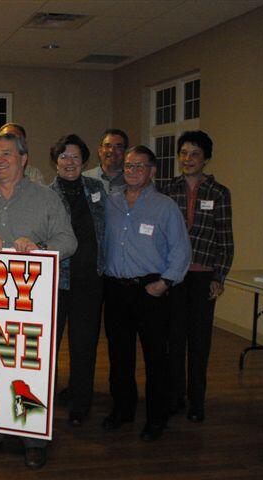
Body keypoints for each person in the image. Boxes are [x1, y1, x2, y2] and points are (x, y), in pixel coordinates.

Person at [0, 132, 77, 469]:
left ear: (23, 158)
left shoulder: (46, 198)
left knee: (31, 369)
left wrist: (40, 249)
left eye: (6, 153)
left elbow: (69, 241)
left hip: (32, 303)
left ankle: (33, 438)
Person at [102, 146, 191, 442]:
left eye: (140, 166)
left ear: (152, 170)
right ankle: (122, 410)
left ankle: (156, 418)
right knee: (119, 356)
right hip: (116, 289)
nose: (133, 171)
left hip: (150, 290)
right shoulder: (111, 203)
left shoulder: (165, 206)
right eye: (129, 166)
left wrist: (164, 283)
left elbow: (181, 250)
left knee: (155, 358)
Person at [161, 131, 234, 423]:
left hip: (203, 278)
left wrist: (219, 276)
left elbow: (225, 240)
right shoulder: (168, 190)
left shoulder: (219, 193)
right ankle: (175, 396)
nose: (188, 159)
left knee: (199, 342)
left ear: (206, 159)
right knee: (174, 339)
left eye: (194, 154)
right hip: (174, 276)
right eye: (184, 153)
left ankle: (197, 401)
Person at [49, 134, 106, 426]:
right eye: (64, 156)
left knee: (84, 345)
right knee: (50, 347)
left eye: (75, 156)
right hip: (55, 282)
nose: (69, 162)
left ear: (83, 161)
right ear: (55, 161)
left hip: (89, 280)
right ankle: (44, 404)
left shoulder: (97, 189)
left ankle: (80, 403)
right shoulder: (45, 194)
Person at [83, 128, 129, 195]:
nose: (112, 150)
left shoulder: (132, 180)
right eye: (108, 146)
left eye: (118, 147)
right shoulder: (84, 179)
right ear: (100, 151)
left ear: (125, 152)